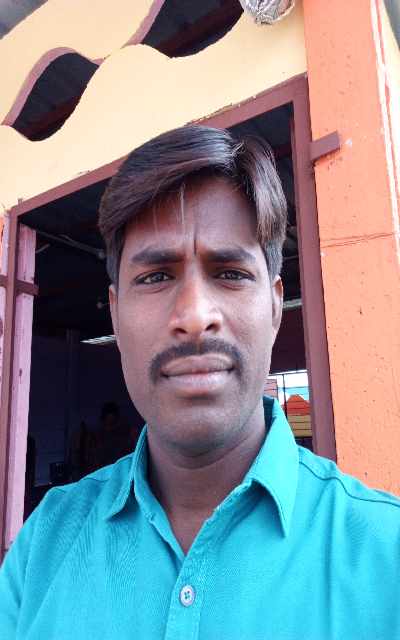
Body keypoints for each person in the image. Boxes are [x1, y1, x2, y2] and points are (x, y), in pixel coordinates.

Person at [0, 125, 399, 639]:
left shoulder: (385, 556)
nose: (194, 316)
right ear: (115, 313)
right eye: (155, 276)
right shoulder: (44, 545)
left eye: (230, 272)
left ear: (275, 305)